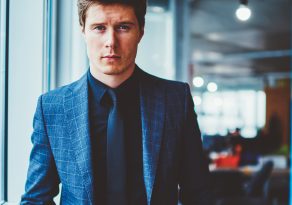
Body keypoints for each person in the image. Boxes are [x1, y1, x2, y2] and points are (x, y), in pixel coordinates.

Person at [20, 0, 212, 204]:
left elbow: (198, 193)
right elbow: (36, 199)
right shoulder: (52, 107)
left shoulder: (175, 99)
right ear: (83, 30)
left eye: (123, 27)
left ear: (141, 31)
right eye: (99, 28)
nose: (111, 41)